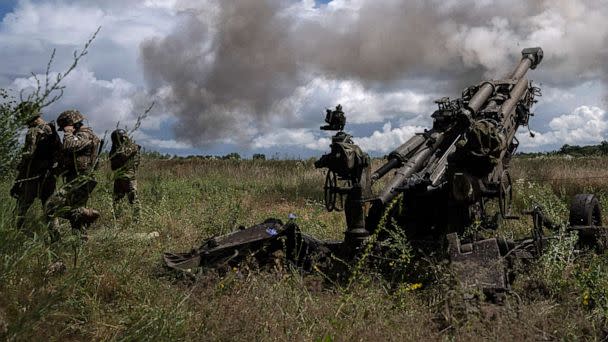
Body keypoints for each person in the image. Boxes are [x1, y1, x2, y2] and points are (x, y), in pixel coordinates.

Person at [45, 110, 101, 240]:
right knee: (75, 216)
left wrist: (68, 132)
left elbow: (70, 146)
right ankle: (80, 240)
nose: (64, 130)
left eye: (65, 127)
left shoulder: (85, 134)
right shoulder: (83, 135)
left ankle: (87, 213)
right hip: (78, 178)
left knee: (51, 206)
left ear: (71, 124)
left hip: (81, 179)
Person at [10, 102, 61, 232]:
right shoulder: (51, 129)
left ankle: (15, 235)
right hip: (49, 175)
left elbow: (28, 156)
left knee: (21, 209)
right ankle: (55, 237)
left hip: (33, 176)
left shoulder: (34, 131)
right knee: (50, 209)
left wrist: (18, 179)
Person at [109, 129, 141, 221]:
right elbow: (112, 160)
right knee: (117, 199)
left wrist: (123, 142)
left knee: (133, 198)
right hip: (119, 177)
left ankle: (137, 220)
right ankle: (117, 219)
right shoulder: (114, 149)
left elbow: (124, 155)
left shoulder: (132, 147)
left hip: (129, 177)